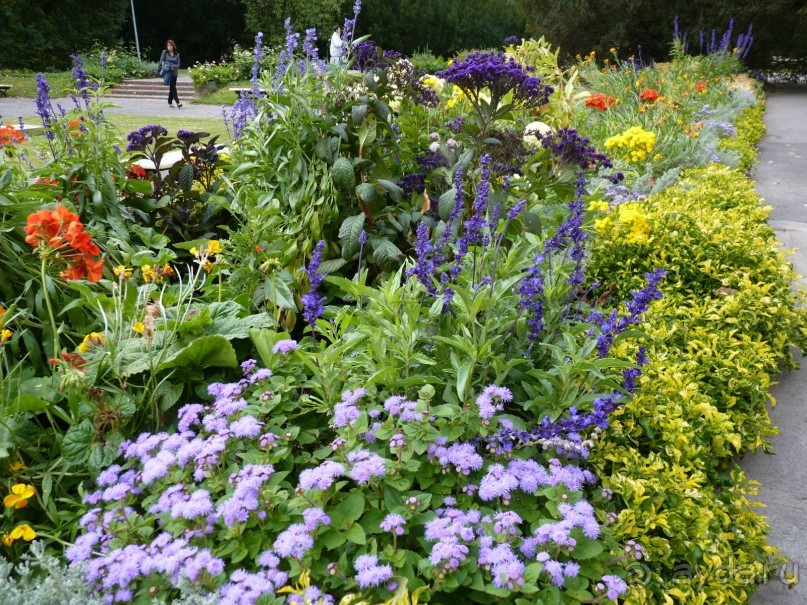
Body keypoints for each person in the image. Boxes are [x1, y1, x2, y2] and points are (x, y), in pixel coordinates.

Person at [160, 40, 182, 108]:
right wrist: (168, 68)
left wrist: (174, 67)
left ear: (173, 46)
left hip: (174, 73)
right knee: (173, 87)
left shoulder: (177, 55)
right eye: (168, 45)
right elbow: (162, 62)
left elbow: (178, 64)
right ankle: (178, 102)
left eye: (170, 45)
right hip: (168, 73)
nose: (169, 47)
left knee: (172, 88)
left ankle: (169, 101)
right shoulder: (165, 53)